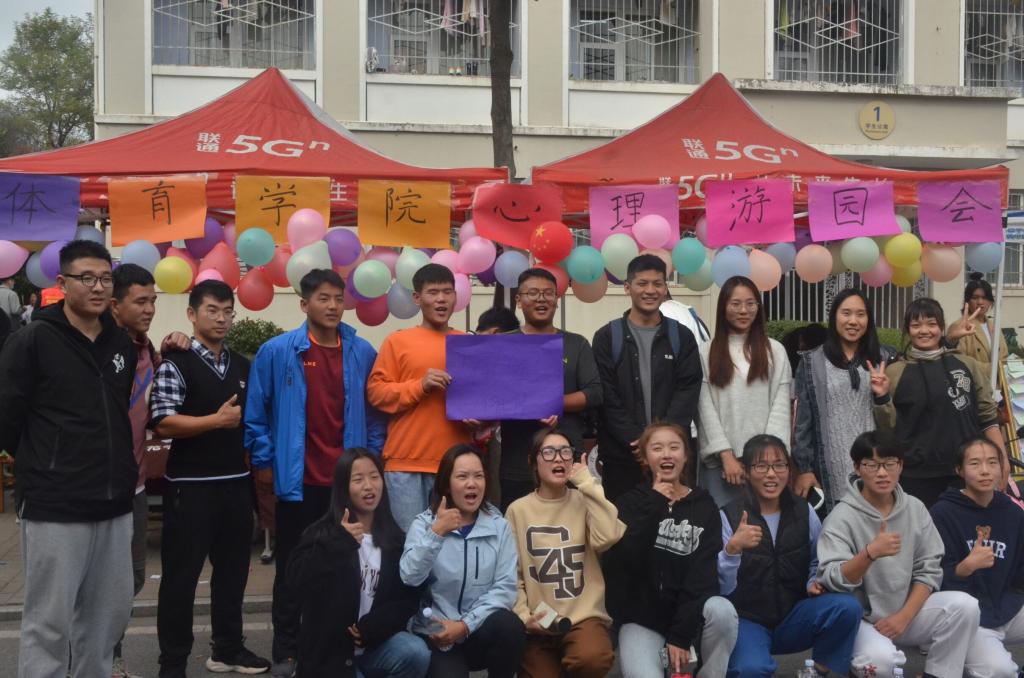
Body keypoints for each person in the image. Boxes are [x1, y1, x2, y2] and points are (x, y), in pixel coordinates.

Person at [0, 240, 138, 678]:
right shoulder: (33, 340)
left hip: (114, 503)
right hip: (55, 504)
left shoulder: (120, 343)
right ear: (62, 283)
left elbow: (116, 410)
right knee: (49, 624)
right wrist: (48, 461)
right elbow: (8, 418)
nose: (98, 287)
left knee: (105, 622)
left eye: (105, 279)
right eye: (87, 278)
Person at [244, 268, 386, 677]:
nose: (333, 306)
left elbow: (376, 415)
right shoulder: (276, 352)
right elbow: (256, 415)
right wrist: (266, 463)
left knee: (347, 570)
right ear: (305, 304)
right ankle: (287, 650)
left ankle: (337, 649)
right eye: (324, 298)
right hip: (298, 482)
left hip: (347, 486)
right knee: (293, 568)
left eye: (339, 299)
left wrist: (370, 462)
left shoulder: (362, 352)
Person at [149, 280, 270, 677]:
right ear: (192, 314)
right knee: (180, 580)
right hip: (190, 488)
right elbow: (162, 421)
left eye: (227, 312)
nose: (221, 319)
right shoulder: (176, 363)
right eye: (212, 311)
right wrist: (214, 421)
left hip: (236, 484)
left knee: (233, 574)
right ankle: (172, 663)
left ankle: (228, 649)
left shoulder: (242, 365)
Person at [817, 430, 981, 677]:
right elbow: (832, 578)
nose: (882, 473)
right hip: (862, 619)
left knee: (965, 606)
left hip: (907, 612)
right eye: (872, 465)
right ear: (857, 468)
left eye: (889, 463)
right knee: (880, 663)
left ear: (901, 465)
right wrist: (869, 554)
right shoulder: (841, 517)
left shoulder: (915, 508)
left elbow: (929, 569)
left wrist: (904, 616)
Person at [719, 434, 862, 677]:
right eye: (761, 466)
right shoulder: (728, 515)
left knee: (846, 607)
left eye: (779, 465)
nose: (771, 474)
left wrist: (812, 581)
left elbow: (818, 558)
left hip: (794, 616)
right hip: (747, 620)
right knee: (751, 669)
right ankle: (751, 657)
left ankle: (820, 670)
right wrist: (732, 550)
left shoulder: (804, 510)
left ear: (789, 469)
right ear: (747, 472)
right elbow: (721, 587)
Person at [603, 422, 738, 678]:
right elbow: (624, 561)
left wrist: (680, 635)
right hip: (642, 619)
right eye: (657, 448)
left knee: (722, 610)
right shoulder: (629, 503)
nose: (666, 454)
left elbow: (703, 578)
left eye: (674, 447)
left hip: (692, 617)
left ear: (686, 456)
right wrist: (655, 502)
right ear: (645, 458)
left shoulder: (704, 506)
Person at [108, 263, 190, 678]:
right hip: (97, 487)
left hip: (136, 485)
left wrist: (173, 345)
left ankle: (106, 651)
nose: (149, 309)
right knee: (99, 581)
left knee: (133, 578)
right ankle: (101, 657)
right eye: (140, 301)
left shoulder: (147, 351)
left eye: (153, 301)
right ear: (114, 305)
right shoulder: (98, 350)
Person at [286, 448, 431, 678]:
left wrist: (375, 626)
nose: (368, 486)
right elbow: (296, 581)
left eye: (374, 477)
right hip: (330, 657)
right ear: (343, 487)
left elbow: (407, 598)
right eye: (358, 479)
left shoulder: (394, 539)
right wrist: (338, 542)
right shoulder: (322, 533)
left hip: (374, 647)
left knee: (416, 652)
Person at [505, 427, 625, 678]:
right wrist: (524, 616)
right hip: (539, 620)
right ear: (533, 462)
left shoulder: (584, 499)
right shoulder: (517, 510)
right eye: (549, 452)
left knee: (592, 659)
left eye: (565, 452)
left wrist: (587, 483)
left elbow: (608, 537)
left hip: (583, 617)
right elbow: (510, 573)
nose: (558, 458)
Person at [400, 444, 526, 678]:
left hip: (478, 628)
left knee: (510, 627)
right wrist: (436, 533)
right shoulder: (424, 524)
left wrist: (465, 625)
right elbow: (409, 577)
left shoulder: (499, 526)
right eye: (462, 476)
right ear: (447, 484)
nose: (472, 483)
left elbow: (505, 589)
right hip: (436, 632)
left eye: (478, 476)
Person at [368, 263, 477, 531]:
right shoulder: (397, 341)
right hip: (405, 463)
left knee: (452, 546)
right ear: (417, 298)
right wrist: (420, 386)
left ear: (456, 297)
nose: (441, 299)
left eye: (448, 292)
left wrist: (481, 421)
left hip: (455, 465)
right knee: (410, 545)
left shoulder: (468, 343)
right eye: (433, 292)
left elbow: (483, 401)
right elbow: (376, 393)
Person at [870, 297, 1003, 507]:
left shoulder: (966, 364)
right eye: (916, 325)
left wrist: (1001, 461)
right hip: (915, 476)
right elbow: (888, 427)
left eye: (931, 324)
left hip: (964, 472)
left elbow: (988, 417)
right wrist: (882, 397)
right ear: (907, 330)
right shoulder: (894, 372)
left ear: (941, 328)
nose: (924, 331)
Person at [592, 254, 701, 501]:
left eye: (657, 283)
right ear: (627, 287)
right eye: (642, 283)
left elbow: (688, 390)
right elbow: (606, 395)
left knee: (673, 521)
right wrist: (638, 440)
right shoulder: (607, 337)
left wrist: (662, 443)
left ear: (665, 288)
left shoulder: (681, 337)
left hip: (671, 460)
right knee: (624, 521)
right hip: (622, 456)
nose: (650, 290)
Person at [500, 268, 602, 509]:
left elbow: (595, 393)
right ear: (518, 300)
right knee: (517, 526)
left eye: (548, 293)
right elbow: (492, 396)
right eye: (533, 293)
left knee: (572, 526)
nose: (541, 299)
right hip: (518, 461)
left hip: (567, 462)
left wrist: (552, 403)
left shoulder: (576, 344)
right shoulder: (503, 344)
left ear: (557, 300)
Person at [793, 289, 899, 512]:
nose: (853, 321)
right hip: (829, 469)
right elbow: (803, 421)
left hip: (874, 466)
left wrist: (882, 396)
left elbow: (891, 425)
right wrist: (804, 469)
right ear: (834, 317)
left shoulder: (884, 359)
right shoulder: (813, 362)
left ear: (868, 319)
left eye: (860, 314)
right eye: (846, 313)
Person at [930, 437, 1024, 678]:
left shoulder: (1013, 512)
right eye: (975, 463)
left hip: (1007, 607)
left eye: (992, 462)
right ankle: (962, 662)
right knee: (1000, 671)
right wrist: (965, 568)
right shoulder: (942, 513)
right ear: (959, 470)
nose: (985, 471)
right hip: (969, 618)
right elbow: (931, 579)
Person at [696, 276, 791, 508]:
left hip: (766, 465)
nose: (743, 310)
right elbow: (705, 408)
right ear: (723, 307)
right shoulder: (705, 352)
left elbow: (780, 408)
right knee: (723, 524)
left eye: (750, 303)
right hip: (721, 465)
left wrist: (767, 460)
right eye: (735, 303)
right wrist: (725, 455)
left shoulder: (775, 351)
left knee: (764, 523)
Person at [947, 272, 1010, 375]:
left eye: (984, 298)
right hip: (975, 382)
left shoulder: (994, 325)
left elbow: (1004, 356)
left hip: (997, 382)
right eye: (975, 297)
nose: (980, 302)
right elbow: (960, 361)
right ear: (967, 301)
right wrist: (993, 369)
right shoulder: (959, 326)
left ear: (990, 301)